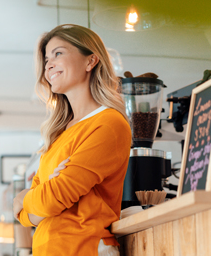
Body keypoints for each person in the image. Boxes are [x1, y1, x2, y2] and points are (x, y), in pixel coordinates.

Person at [13, 24, 131, 256]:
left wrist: (23, 197)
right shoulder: (59, 133)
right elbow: (28, 217)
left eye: (58, 53)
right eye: (46, 58)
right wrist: (39, 201)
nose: (49, 64)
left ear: (90, 61)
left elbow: (50, 200)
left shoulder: (108, 123)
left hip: (84, 249)